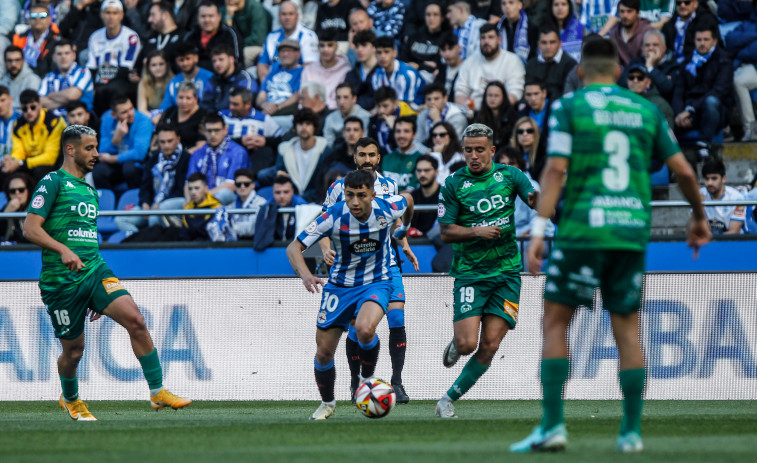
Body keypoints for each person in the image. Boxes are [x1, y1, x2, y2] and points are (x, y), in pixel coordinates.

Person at [510, 36, 710, 453]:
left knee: (555, 323)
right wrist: (700, 217)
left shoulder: (569, 107)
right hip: (629, 232)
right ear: (619, 72)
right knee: (627, 331)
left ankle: (553, 427)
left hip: (582, 231)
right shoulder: (645, 109)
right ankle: (631, 433)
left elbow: (555, 170)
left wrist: (541, 228)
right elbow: (686, 173)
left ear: (580, 71)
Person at [22, 125, 192, 421]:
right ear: (70, 149)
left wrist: (96, 294)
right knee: (74, 351)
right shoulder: (53, 182)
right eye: (90, 148)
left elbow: (86, 238)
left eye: (97, 147)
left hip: (94, 271)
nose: (97, 154)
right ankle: (70, 398)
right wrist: (62, 249)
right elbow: (30, 228)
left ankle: (157, 391)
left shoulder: (90, 190)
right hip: (61, 282)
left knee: (136, 320)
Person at [288, 168, 415, 420]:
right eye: (349, 195)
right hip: (339, 287)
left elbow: (409, 199)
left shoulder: (387, 208)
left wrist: (404, 229)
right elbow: (294, 247)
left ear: (372, 195)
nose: (355, 202)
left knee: (365, 329)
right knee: (324, 352)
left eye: (361, 195)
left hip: (377, 282)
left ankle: (366, 381)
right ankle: (327, 403)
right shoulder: (333, 215)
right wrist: (305, 275)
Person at [435, 123, 537, 419]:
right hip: (470, 273)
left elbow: (537, 203)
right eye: (468, 150)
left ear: (492, 150)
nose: (474, 156)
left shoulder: (510, 175)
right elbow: (446, 232)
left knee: (490, 344)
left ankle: (447, 399)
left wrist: (541, 202)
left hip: (507, 273)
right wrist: (477, 231)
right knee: (468, 344)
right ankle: (457, 342)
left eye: (480, 150)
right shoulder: (453, 183)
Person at [320, 137, 419, 404]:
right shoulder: (338, 188)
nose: (367, 159)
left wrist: (405, 244)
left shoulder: (389, 186)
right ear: (355, 157)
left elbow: (395, 220)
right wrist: (326, 249)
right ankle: (357, 383)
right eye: (361, 154)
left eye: (371, 155)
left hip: (387, 263)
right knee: (356, 329)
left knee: (397, 318)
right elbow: (323, 224)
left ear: (378, 158)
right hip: (352, 268)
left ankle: (397, 382)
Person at [672, 22, 733, 154]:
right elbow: (679, 91)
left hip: (714, 111)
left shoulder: (724, 61)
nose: (702, 43)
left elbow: (718, 91)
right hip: (690, 112)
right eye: (699, 40)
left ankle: (705, 145)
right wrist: (678, 115)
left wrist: (690, 110)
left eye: (706, 40)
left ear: (714, 41)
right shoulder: (687, 62)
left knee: (711, 102)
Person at [116, 125, 191, 232]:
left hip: (174, 203)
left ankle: (155, 246)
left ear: (178, 139)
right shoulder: (154, 158)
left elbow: (182, 190)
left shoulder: (186, 158)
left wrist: (159, 204)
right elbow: (145, 186)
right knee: (120, 220)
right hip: (153, 205)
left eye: (170, 141)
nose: (166, 145)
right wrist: (145, 203)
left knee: (154, 217)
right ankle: (140, 242)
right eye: (162, 142)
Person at [258, 109, 330, 203]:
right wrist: (279, 175)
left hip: (318, 199)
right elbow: (279, 173)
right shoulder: (285, 149)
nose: (304, 127)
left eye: (308, 124)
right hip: (291, 200)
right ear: (295, 127)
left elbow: (322, 182)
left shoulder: (325, 150)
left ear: (314, 127)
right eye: (300, 124)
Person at [87, 0, 142, 116]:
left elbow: (126, 67)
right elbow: (91, 67)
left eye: (115, 13)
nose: (111, 17)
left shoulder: (131, 37)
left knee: (108, 90)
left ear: (121, 15)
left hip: (121, 81)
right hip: (99, 81)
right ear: (101, 14)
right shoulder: (95, 37)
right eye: (107, 13)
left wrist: (104, 85)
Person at [455, 24, 526, 111]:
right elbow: (460, 93)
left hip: (502, 112)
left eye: (491, 37)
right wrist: (471, 109)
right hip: (473, 112)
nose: (486, 41)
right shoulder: (470, 61)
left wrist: (496, 111)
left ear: (499, 40)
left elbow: (515, 93)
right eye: (483, 38)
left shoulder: (512, 60)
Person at [187, 113, 251, 205]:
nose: (213, 135)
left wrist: (205, 197)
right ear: (204, 132)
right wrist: (189, 200)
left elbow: (231, 185)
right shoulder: (197, 154)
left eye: (216, 130)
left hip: (228, 198)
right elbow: (188, 183)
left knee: (222, 194)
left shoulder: (237, 152)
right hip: (198, 197)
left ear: (225, 130)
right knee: (167, 206)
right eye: (209, 131)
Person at [4, 90, 66, 184]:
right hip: (28, 163)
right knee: (5, 171)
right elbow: (18, 151)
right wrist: (12, 161)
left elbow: (50, 157)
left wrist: (21, 163)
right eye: (25, 109)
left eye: (33, 107)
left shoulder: (54, 122)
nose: (29, 112)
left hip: (53, 164)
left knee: (40, 171)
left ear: (40, 105)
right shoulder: (18, 124)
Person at [94, 95, 154, 190]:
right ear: (114, 115)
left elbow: (139, 153)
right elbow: (102, 152)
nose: (130, 114)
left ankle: (134, 201)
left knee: (129, 168)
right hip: (116, 165)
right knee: (99, 171)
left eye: (131, 108)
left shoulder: (143, 121)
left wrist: (113, 159)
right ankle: (110, 201)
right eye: (124, 112)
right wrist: (116, 138)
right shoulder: (107, 121)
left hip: (136, 163)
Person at [220, 86, 284, 174]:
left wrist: (265, 141)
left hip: (254, 161)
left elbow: (283, 139)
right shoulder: (222, 116)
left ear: (248, 105)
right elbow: (214, 139)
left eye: (235, 104)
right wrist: (240, 141)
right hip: (226, 158)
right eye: (230, 103)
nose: (231, 107)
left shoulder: (264, 119)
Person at [257, 0, 319, 83]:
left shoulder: (308, 35)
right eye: (284, 14)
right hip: (273, 82)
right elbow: (262, 64)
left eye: (291, 14)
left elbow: (310, 67)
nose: (287, 18)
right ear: (279, 16)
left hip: (297, 83)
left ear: (297, 16)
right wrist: (266, 83)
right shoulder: (271, 36)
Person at [207, 168, 268, 241]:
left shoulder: (261, 203)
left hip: (254, 243)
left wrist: (230, 228)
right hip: (235, 244)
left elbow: (252, 228)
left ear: (253, 185)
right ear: (235, 186)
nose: (242, 187)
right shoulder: (231, 204)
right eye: (239, 184)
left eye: (246, 184)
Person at [619, 29, 679, 102]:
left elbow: (667, 89)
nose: (651, 48)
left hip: (659, 107)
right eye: (647, 45)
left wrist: (650, 67)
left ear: (664, 48)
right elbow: (622, 83)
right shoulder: (635, 62)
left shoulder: (673, 65)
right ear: (643, 49)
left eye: (655, 45)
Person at [39, 40, 95, 117]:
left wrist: (50, 95)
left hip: (79, 123)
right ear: (53, 58)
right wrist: (67, 99)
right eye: (59, 54)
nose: (63, 57)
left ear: (74, 55)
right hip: (53, 124)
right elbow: (40, 102)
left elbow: (72, 95)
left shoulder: (83, 72)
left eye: (67, 53)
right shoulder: (48, 76)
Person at [183, 0, 244, 71]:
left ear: (219, 17)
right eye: (203, 16)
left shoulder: (230, 35)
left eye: (211, 16)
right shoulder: (190, 36)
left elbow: (237, 62)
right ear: (197, 18)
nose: (207, 20)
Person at [301, 30, 351, 111]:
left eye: (330, 45)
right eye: (322, 45)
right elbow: (303, 98)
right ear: (318, 47)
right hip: (311, 113)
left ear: (336, 47)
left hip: (335, 112)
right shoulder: (308, 70)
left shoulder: (346, 69)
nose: (325, 49)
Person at [400, 2, 450, 83]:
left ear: (442, 18)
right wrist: (425, 65)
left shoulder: (446, 38)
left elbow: (439, 65)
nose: (431, 18)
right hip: (409, 73)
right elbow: (403, 58)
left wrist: (419, 66)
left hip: (431, 77)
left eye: (435, 15)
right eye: (428, 15)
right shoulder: (415, 36)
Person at [371, 37, 426, 110]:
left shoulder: (408, 74)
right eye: (379, 52)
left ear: (394, 53)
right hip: (389, 109)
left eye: (386, 52)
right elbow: (379, 100)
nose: (382, 56)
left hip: (414, 110)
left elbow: (406, 105)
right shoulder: (376, 75)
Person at [200, 44, 258, 113]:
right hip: (216, 120)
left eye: (221, 59)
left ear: (231, 59)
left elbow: (244, 104)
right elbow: (205, 104)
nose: (217, 64)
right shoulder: (213, 80)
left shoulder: (244, 78)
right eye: (214, 61)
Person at [524, 25, 577, 101]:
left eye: (552, 42)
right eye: (544, 42)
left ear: (560, 44)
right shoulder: (531, 64)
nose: (548, 46)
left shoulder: (570, 64)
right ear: (538, 44)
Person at [159, 43, 214, 111]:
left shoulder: (210, 78)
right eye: (181, 60)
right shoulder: (173, 82)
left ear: (196, 58)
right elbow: (164, 108)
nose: (185, 63)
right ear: (176, 61)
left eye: (188, 59)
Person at [157, 82, 208, 154]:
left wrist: (182, 158)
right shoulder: (170, 112)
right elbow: (158, 135)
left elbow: (201, 146)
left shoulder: (203, 116)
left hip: (189, 157)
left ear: (196, 99)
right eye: (180, 97)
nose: (184, 102)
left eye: (188, 98)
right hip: (166, 153)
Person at [255, 39, 303, 116]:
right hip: (266, 111)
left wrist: (277, 107)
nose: (285, 54)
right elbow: (261, 96)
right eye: (282, 51)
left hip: (287, 112)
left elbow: (297, 95)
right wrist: (264, 105)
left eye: (289, 51)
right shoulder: (273, 72)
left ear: (298, 54)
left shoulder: (303, 72)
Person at [699, 158, 747, 234]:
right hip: (709, 242)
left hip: (733, 243)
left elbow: (734, 232)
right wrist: (697, 209)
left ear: (724, 179)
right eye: (706, 179)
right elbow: (693, 226)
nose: (709, 183)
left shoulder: (737, 198)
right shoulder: (700, 194)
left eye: (714, 178)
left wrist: (712, 242)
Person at [11, 4, 60, 77]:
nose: (38, 18)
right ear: (29, 20)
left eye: (42, 15)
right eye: (33, 16)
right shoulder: (18, 38)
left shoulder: (56, 40)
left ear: (49, 19)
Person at [382, 116, 428, 191]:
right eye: (398, 131)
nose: (401, 135)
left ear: (414, 135)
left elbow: (410, 192)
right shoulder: (385, 158)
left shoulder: (421, 160)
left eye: (406, 131)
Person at [221, 0, 272, 67]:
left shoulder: (255, 8)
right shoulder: (224, 10)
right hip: (236, 46)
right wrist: (228, 18)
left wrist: (237, 45)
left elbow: (258, 39)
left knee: (245, 53)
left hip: (257, 46)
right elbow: (223, 38)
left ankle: (242, 76)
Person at [137, 1, 182, 76]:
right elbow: (138, 65)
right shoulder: (150, 39)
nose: (149, 20)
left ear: (165, 15)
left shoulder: (183, 37)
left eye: (153, 15)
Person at [367, 87, 416, 155]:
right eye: (378, 106)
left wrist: (394, 128)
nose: (381, 110)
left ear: (395, 104)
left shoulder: (408, 118)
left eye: (385, 106)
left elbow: (411, 145)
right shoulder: (374, 121)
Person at [626, 64, 675, 128]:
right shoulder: (620, 100)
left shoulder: (660, 105)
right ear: (627, 80)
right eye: (631, 77)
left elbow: (667, 134)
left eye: (640, 78)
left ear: (648, 82)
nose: (635, 81)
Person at [608, 0, 655, 67]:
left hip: (643, 72)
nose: (625, 15)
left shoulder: (648, 32)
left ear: (637, 12)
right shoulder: (614, 33)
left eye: (629, 11)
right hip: (621, 74)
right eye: (622, 11)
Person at [474, 81, 518, 149]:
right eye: (490, 95)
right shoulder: (479, 116)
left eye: (496, 95)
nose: (492, 99)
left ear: (503, 97)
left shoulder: (512, 116)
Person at [181, 171, 223, 241]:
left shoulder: (216, 208)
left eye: (197, 188)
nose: (193, 192)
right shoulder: (187, 209)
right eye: (190, 189)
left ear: (206, 189)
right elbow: (184, 236)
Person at [343, 30, 379, 111]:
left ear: (374, 48)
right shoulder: (351, 74)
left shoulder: (383, 72)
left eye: (364, 45)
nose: (359, 50)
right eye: (357, 46)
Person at [1, 46, 42, 110]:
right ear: (5, 62)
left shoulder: (33, 80)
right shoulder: (2, 81)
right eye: (9, 60)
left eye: (17, 60)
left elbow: (29, 107)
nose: (13, 64)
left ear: (23, 60)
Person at [137, 50, 174, 120]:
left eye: (161, 64)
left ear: (167, 65)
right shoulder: (143, 83)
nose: (158, 68)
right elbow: (141, 110)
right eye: (153, 65)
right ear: (148, 67)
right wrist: (154, 118)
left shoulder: (174, 81)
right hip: (151, 119)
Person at [427, 121, 465, 186]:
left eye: (442, 135)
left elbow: (442, 182)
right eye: (434, 135)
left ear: (450, 136)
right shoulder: (429, 154)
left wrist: (436, 155)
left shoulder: (459, 157)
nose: (437, 138)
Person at [1, 172, 34, 243]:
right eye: (12, 191)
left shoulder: (36, 208)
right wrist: (6, 214)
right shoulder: (5, 209)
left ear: (28, 191)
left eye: (21, 190)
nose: (17, 193)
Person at [433, 33, 463, 103]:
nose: (447, 54)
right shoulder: (440, 71)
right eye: (443, 50)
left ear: (459, 48)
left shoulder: (467, 70)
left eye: (450, 49)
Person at [0, 85, 21, 157]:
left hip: (17, 163)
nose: (0, 105)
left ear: (11, 100)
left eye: (3, 100)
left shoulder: (21, 120)